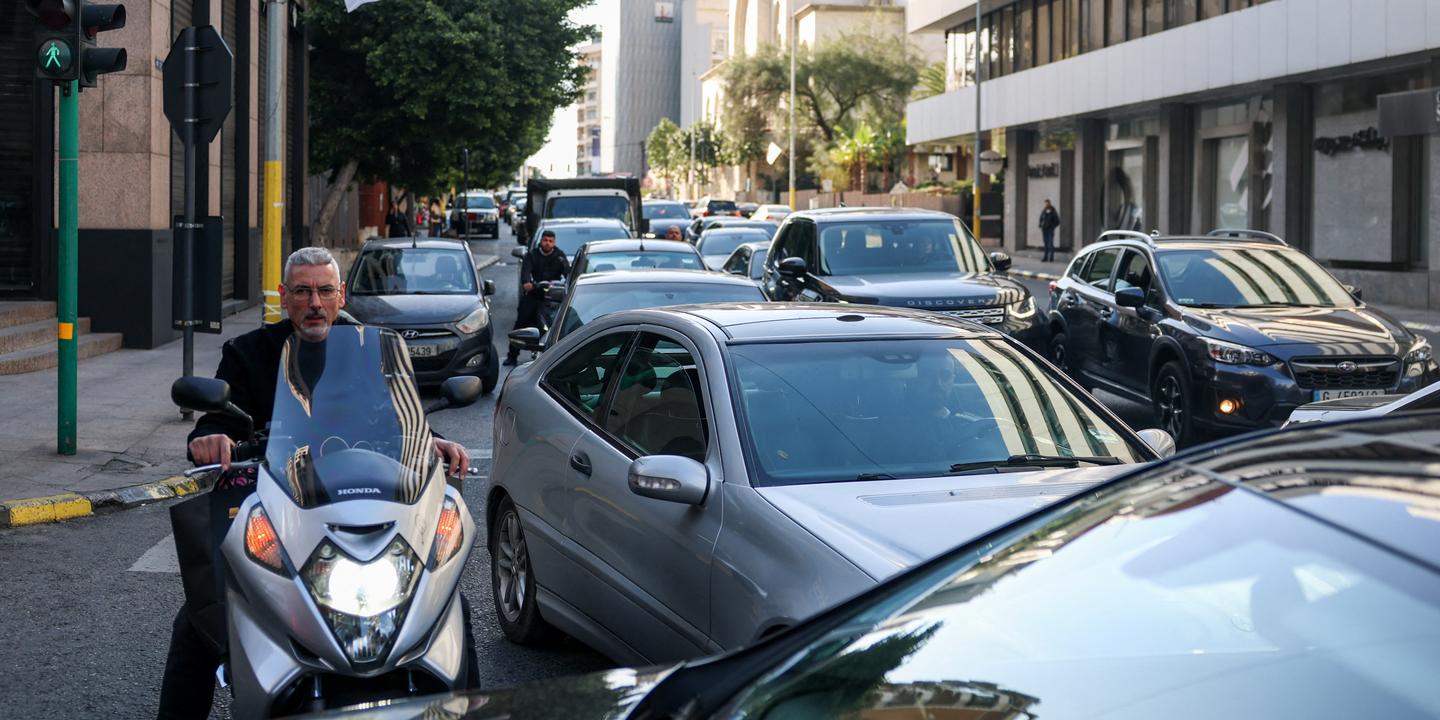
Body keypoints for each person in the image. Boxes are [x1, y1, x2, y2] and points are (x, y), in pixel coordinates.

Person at [159, 247, 474, 719]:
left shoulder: (372, 349)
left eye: (325, 291)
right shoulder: (247, 354)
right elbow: (212, 422)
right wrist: (213, 437)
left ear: (340, 294)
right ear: (284, 297)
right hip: (282, 512)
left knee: (446, 604)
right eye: (303, 292)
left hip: (368, 505)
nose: (315, 303)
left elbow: (403, 419)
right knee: (202, 619)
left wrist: (434, 441)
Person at [505, 230, 570, 366]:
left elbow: (568, 272)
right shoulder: (532, 255)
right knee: (521, 321)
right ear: (541, 241)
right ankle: (512, 355)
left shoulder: (559, 256)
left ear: (554, 242)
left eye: (550, 241)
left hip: (553, 296)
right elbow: (526, 271)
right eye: (545, 240)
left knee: (559, 324)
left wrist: (567, 283)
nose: (547, 243)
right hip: (534, 294)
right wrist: (527, 283)